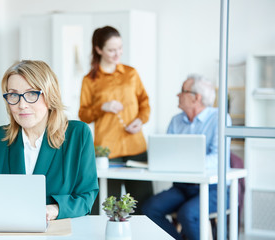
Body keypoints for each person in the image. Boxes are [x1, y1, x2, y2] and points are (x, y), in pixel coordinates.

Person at [0, 60, 99, 221]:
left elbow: (86, 196)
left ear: (49, 96)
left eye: (31, 94)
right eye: (13, 95)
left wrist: (55, 209)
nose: (22, 105)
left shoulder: (77, 135)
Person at [141, 74, 231, 240]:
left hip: (213, 189)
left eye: (182, 91)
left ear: (196, 97)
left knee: (187, 214)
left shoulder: (220, 119)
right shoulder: (176, 121)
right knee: (149, 209)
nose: (178, 95)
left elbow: (218, 158)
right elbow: (167, 155)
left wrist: (183, 164)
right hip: (182, 187)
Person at [78, 26, 153, 214]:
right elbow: (83, 115)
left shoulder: (131, 74)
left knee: (144, 206)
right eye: (112, 49)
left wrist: (140, 120)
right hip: (107, 152)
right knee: (107, 207)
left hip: (136, 147)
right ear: (98, 49)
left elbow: (144, 102)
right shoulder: (90, 80)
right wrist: (101, 107)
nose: (117, 53)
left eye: (120, 48)